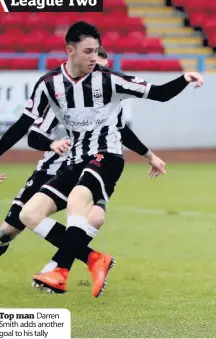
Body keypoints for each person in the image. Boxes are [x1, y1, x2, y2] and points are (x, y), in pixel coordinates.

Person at [0, 21, 204, 297]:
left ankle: (60, 270)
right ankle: (94, 258)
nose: (93, 57)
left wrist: (184, 79)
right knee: (29, 214)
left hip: (106, 156)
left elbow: (159, 94)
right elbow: (23, 125)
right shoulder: (49, 85)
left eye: (96, 51)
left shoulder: (109, 80)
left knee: (81, 204)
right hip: (75, 161)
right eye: (87, 51)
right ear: (69, 50)